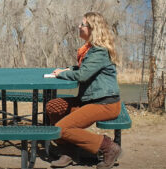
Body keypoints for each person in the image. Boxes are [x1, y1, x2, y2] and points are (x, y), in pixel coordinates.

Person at [47, 12, 121, 169]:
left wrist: (62, 73)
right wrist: (69, 69)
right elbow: (84, 68)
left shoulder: (99, 51)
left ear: (93, 29)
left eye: (82, 24)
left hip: (104, 103)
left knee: (60, 128)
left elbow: (82, 75)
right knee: (53, 106)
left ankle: (108, 147)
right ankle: (69, 152)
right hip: (90, 100)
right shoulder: (90, 50)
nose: (79, 27)